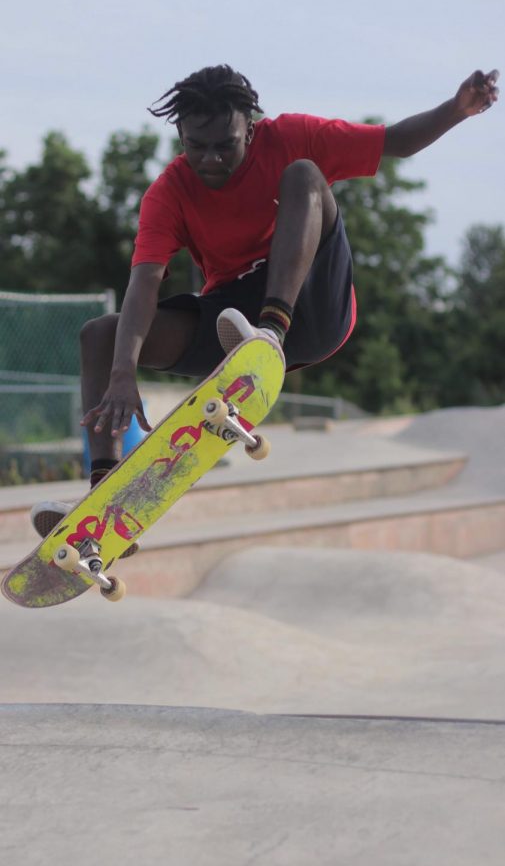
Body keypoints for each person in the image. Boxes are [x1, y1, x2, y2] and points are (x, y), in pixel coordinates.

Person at [31, 64, 499, 551]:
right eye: (196, 146)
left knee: (303, 174)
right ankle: (102, 510)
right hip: (232, 317)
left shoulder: (292, 135)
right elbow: (143, 283)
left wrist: (458, 109)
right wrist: (123, 372)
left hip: (311, 304)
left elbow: (396, 141)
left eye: (225, 145)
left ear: (250, 128)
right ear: (179, 136)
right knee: (100, 336)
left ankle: (270, 334)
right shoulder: (167, 193)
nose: (210, 160)